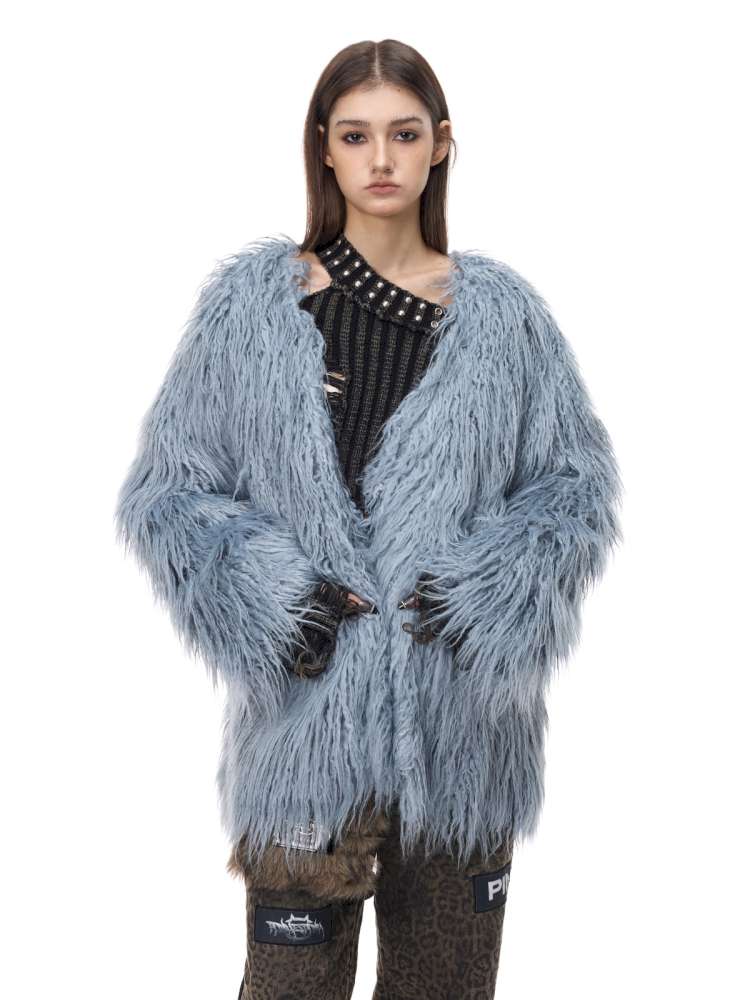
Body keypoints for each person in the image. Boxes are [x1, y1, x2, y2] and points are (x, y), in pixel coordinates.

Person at [114, 38, 622, 1000]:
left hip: (463, 737)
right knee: (289, 987)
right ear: (324, 147)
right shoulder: (250, 312)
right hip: (305, 732)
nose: (381, 159)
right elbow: (168, 492)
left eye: (404, 134)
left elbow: (575, 490)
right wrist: (278, 602)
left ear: (442, 144)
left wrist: (480, 594)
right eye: (355, 136)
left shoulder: (506, 320)